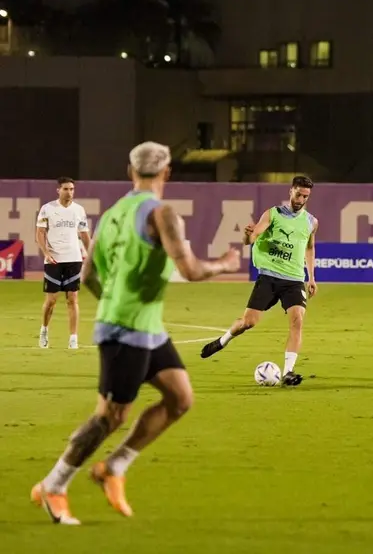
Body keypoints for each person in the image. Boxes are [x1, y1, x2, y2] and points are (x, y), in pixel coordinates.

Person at [30, 141, 241, 525]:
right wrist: (226, 264)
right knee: (109, 417)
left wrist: (113, 300)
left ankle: (114, 467)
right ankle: (53, 485)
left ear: (130, 172)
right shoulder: (162, 214)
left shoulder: (112, 213)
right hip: (127, 329)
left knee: (180, 398)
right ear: (168, 172)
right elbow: (192, 270)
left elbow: (89, 275)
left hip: (145, 326)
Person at [200, 176, 318, 386]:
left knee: (297, 320)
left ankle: (288, 372)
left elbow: (309, 248)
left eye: (305, 196)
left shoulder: (311, 222)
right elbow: (253, 236)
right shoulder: (272, 214)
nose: (301, 199)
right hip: (269, 276)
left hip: (294, 279)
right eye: (298, 194)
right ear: (291, 191)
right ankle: (223, 340)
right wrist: (247, 236)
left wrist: (311, 277)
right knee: (248, 322)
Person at [35, 177, 91, 349]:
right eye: (66, 189)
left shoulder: (79, 210)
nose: (69, 192)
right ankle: (44, 330)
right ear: (58, 190)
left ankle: (73, 338)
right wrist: (46, 253)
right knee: (51, 300)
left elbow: (84, 235)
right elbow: (40, 233)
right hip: (54, 260)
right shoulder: (47, 209)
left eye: (72, 189)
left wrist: (91, 255)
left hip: (74, 258)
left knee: (72, 299)